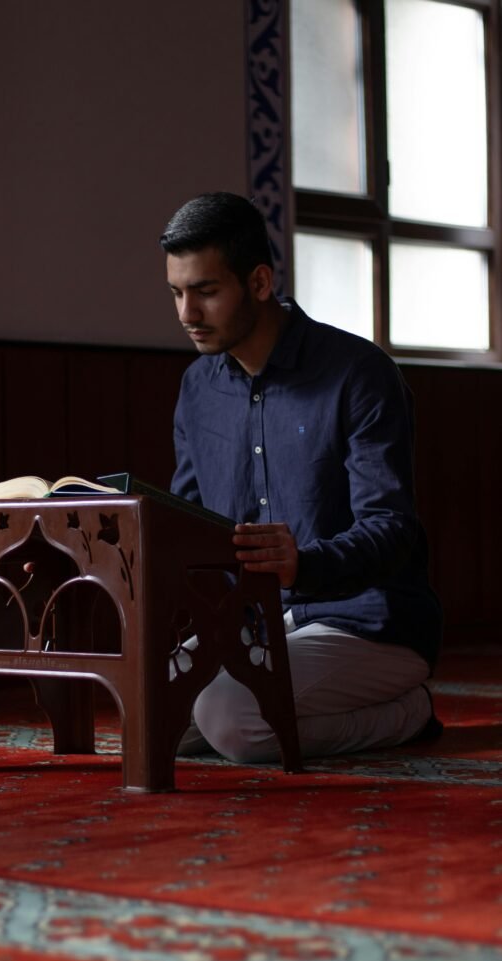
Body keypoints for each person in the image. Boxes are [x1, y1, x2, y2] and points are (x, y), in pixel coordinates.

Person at [159, 191, 443, 763]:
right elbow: (188, 524)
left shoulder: (359, 375)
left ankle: (406, 713)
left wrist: (306, 565)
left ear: (260, 283)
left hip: (370, 623)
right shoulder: (198, 389)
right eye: (177, 293)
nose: (187, 314)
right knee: (154, 710)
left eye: (206, 292)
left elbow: (392, 529)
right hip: (261, 622)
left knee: (229, 720)